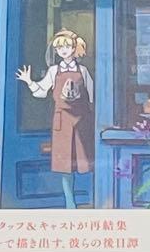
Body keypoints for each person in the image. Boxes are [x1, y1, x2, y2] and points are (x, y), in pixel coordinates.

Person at [16, 29, 94, 208]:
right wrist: (29, 81)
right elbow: (41, 91)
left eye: (66, 46)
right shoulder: (53, 71)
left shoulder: (83, 71)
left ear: (74, 48)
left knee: (85, 161)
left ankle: (91, 198)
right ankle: (70, 203)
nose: (63, 50)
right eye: (59, 48)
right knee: (65, 165)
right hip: (62, 121)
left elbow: (92, 95)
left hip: (82, 121)